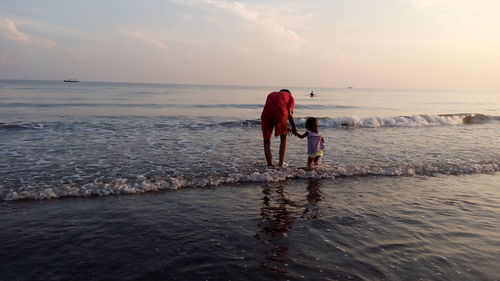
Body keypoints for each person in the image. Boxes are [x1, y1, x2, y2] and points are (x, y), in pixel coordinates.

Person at [261, 89, 298, 167]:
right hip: (280, 115)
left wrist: (285, 125)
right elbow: (289, 113)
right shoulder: (290, 97)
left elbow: (272, 108)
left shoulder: (271, 94)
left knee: (266, 141)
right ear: (289, 93)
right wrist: (294, 127)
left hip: (266, 115)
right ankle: (280, 164)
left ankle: (269, 165)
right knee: (283, 138)